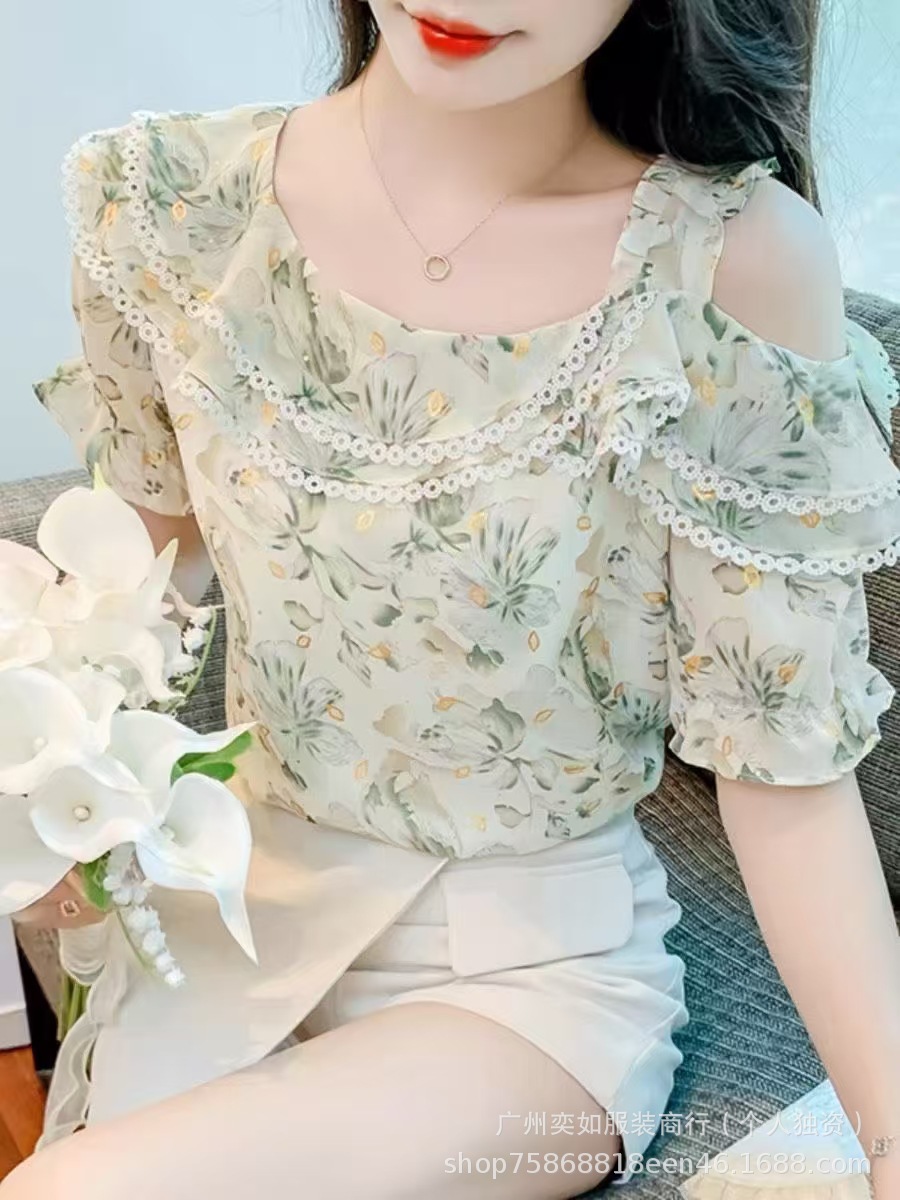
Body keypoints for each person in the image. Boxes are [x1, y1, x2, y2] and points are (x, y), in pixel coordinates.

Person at [5, 1, 900, 1197]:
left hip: (527, 978)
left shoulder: (723, 261)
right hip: (227, 910)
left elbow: (782, 766)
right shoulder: (170, 202)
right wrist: (46, 809)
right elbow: (134, 589)